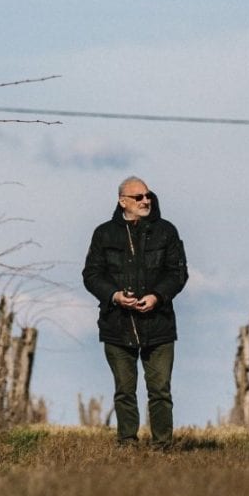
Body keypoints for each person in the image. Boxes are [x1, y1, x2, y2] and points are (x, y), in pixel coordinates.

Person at [82, 176, 189, 447]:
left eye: (148, 195)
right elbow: (92, 275)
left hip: (159, 323)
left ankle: (163, 444)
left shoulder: (167, 231)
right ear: (122, 202)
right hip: (117, 323)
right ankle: (127, 443)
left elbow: (177, 273)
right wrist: (115, 295)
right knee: (124, 390)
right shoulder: (104, 234)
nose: (146, 201)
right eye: (138, 197)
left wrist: (157, 296)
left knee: (160, 390)